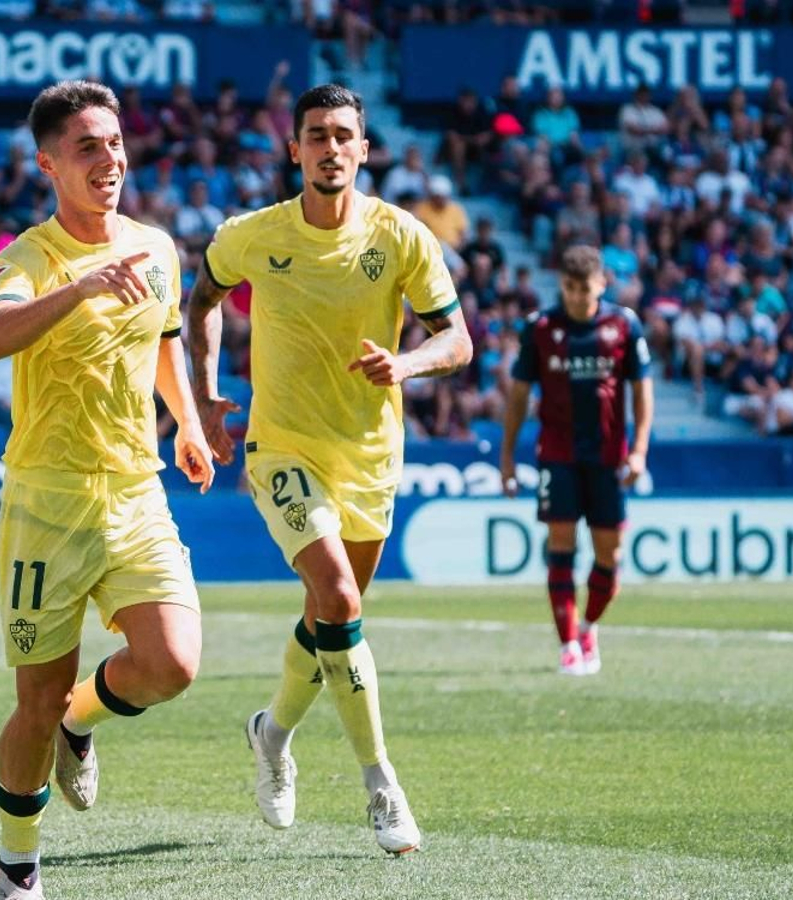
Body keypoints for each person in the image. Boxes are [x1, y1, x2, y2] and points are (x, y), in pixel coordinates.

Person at [185, 82, 469, 857]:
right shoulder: (253, 234)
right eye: (317, 135)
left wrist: (406, 364)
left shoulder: (402, 236)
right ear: (295, 150)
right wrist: (207, 396)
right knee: (338, 597)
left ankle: (271, 736)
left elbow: (459, 342)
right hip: (282, 448)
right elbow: (201, 299)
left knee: (330, 622)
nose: (331, 147)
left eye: (345, 135)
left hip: (371, 455)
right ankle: (381, 783)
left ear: (364, 149)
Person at [0, 80, 215, 900]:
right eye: (87, 147)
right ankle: (16, 863)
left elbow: (165, 342)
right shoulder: (25, 258)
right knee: (31, 705)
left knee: (174, 664)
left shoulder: (157, 248)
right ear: (49, 163)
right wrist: (77, 287)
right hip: (47, 504)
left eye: (114, 142)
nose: (109, 158)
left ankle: (89, 717)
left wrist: (184, 421)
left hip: (136, 488)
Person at [499, 245, 654, 676]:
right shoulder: (541, 328)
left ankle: (588, 627)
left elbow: (642, 392)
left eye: (584, 289)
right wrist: (507, 458)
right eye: (569, 288)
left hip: (608, 458)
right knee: (561, 547)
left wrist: (639, 449)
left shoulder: (623, 325)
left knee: (611, 552)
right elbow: (517, 396)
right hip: (558, 457)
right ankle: (568, 643)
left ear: (601, 284)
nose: (577, 297)